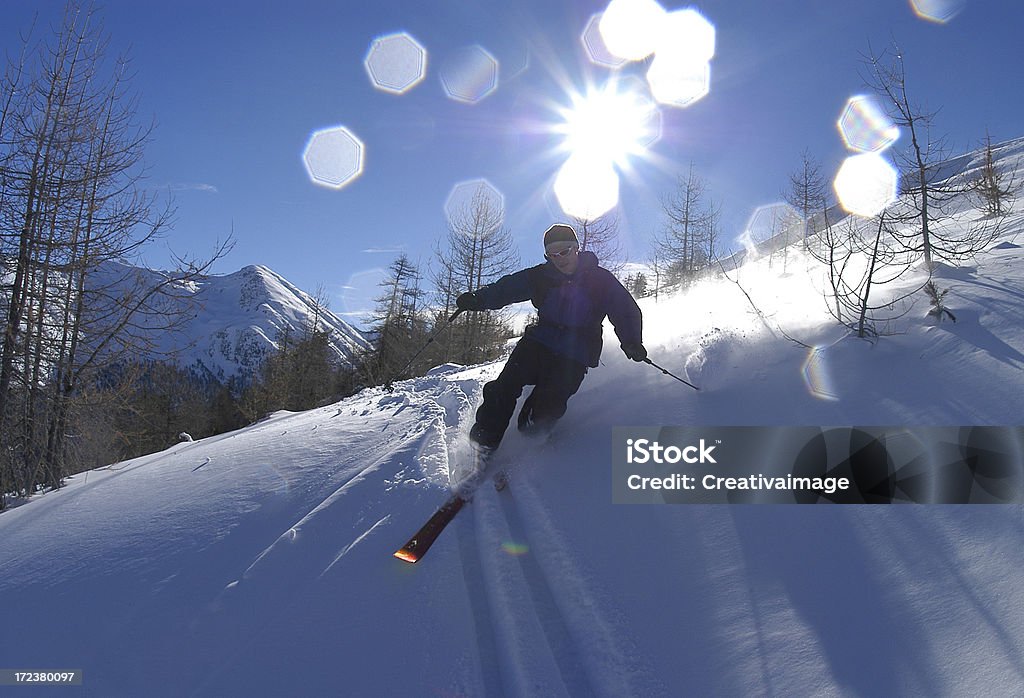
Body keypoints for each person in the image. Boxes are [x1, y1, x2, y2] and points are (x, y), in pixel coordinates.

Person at [456, 223, 647, 454]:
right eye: (552, 254)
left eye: (564, 251)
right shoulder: (540, 276)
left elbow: (624, 309)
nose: (559, 258)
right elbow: (506, 288)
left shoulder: (600, 280)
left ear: (576, 248)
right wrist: (478, 299)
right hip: (539, 342)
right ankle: (482, 446)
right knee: (503, 387)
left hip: (576, 352)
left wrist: (632, 342)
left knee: (547, 407)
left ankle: (530, 438)